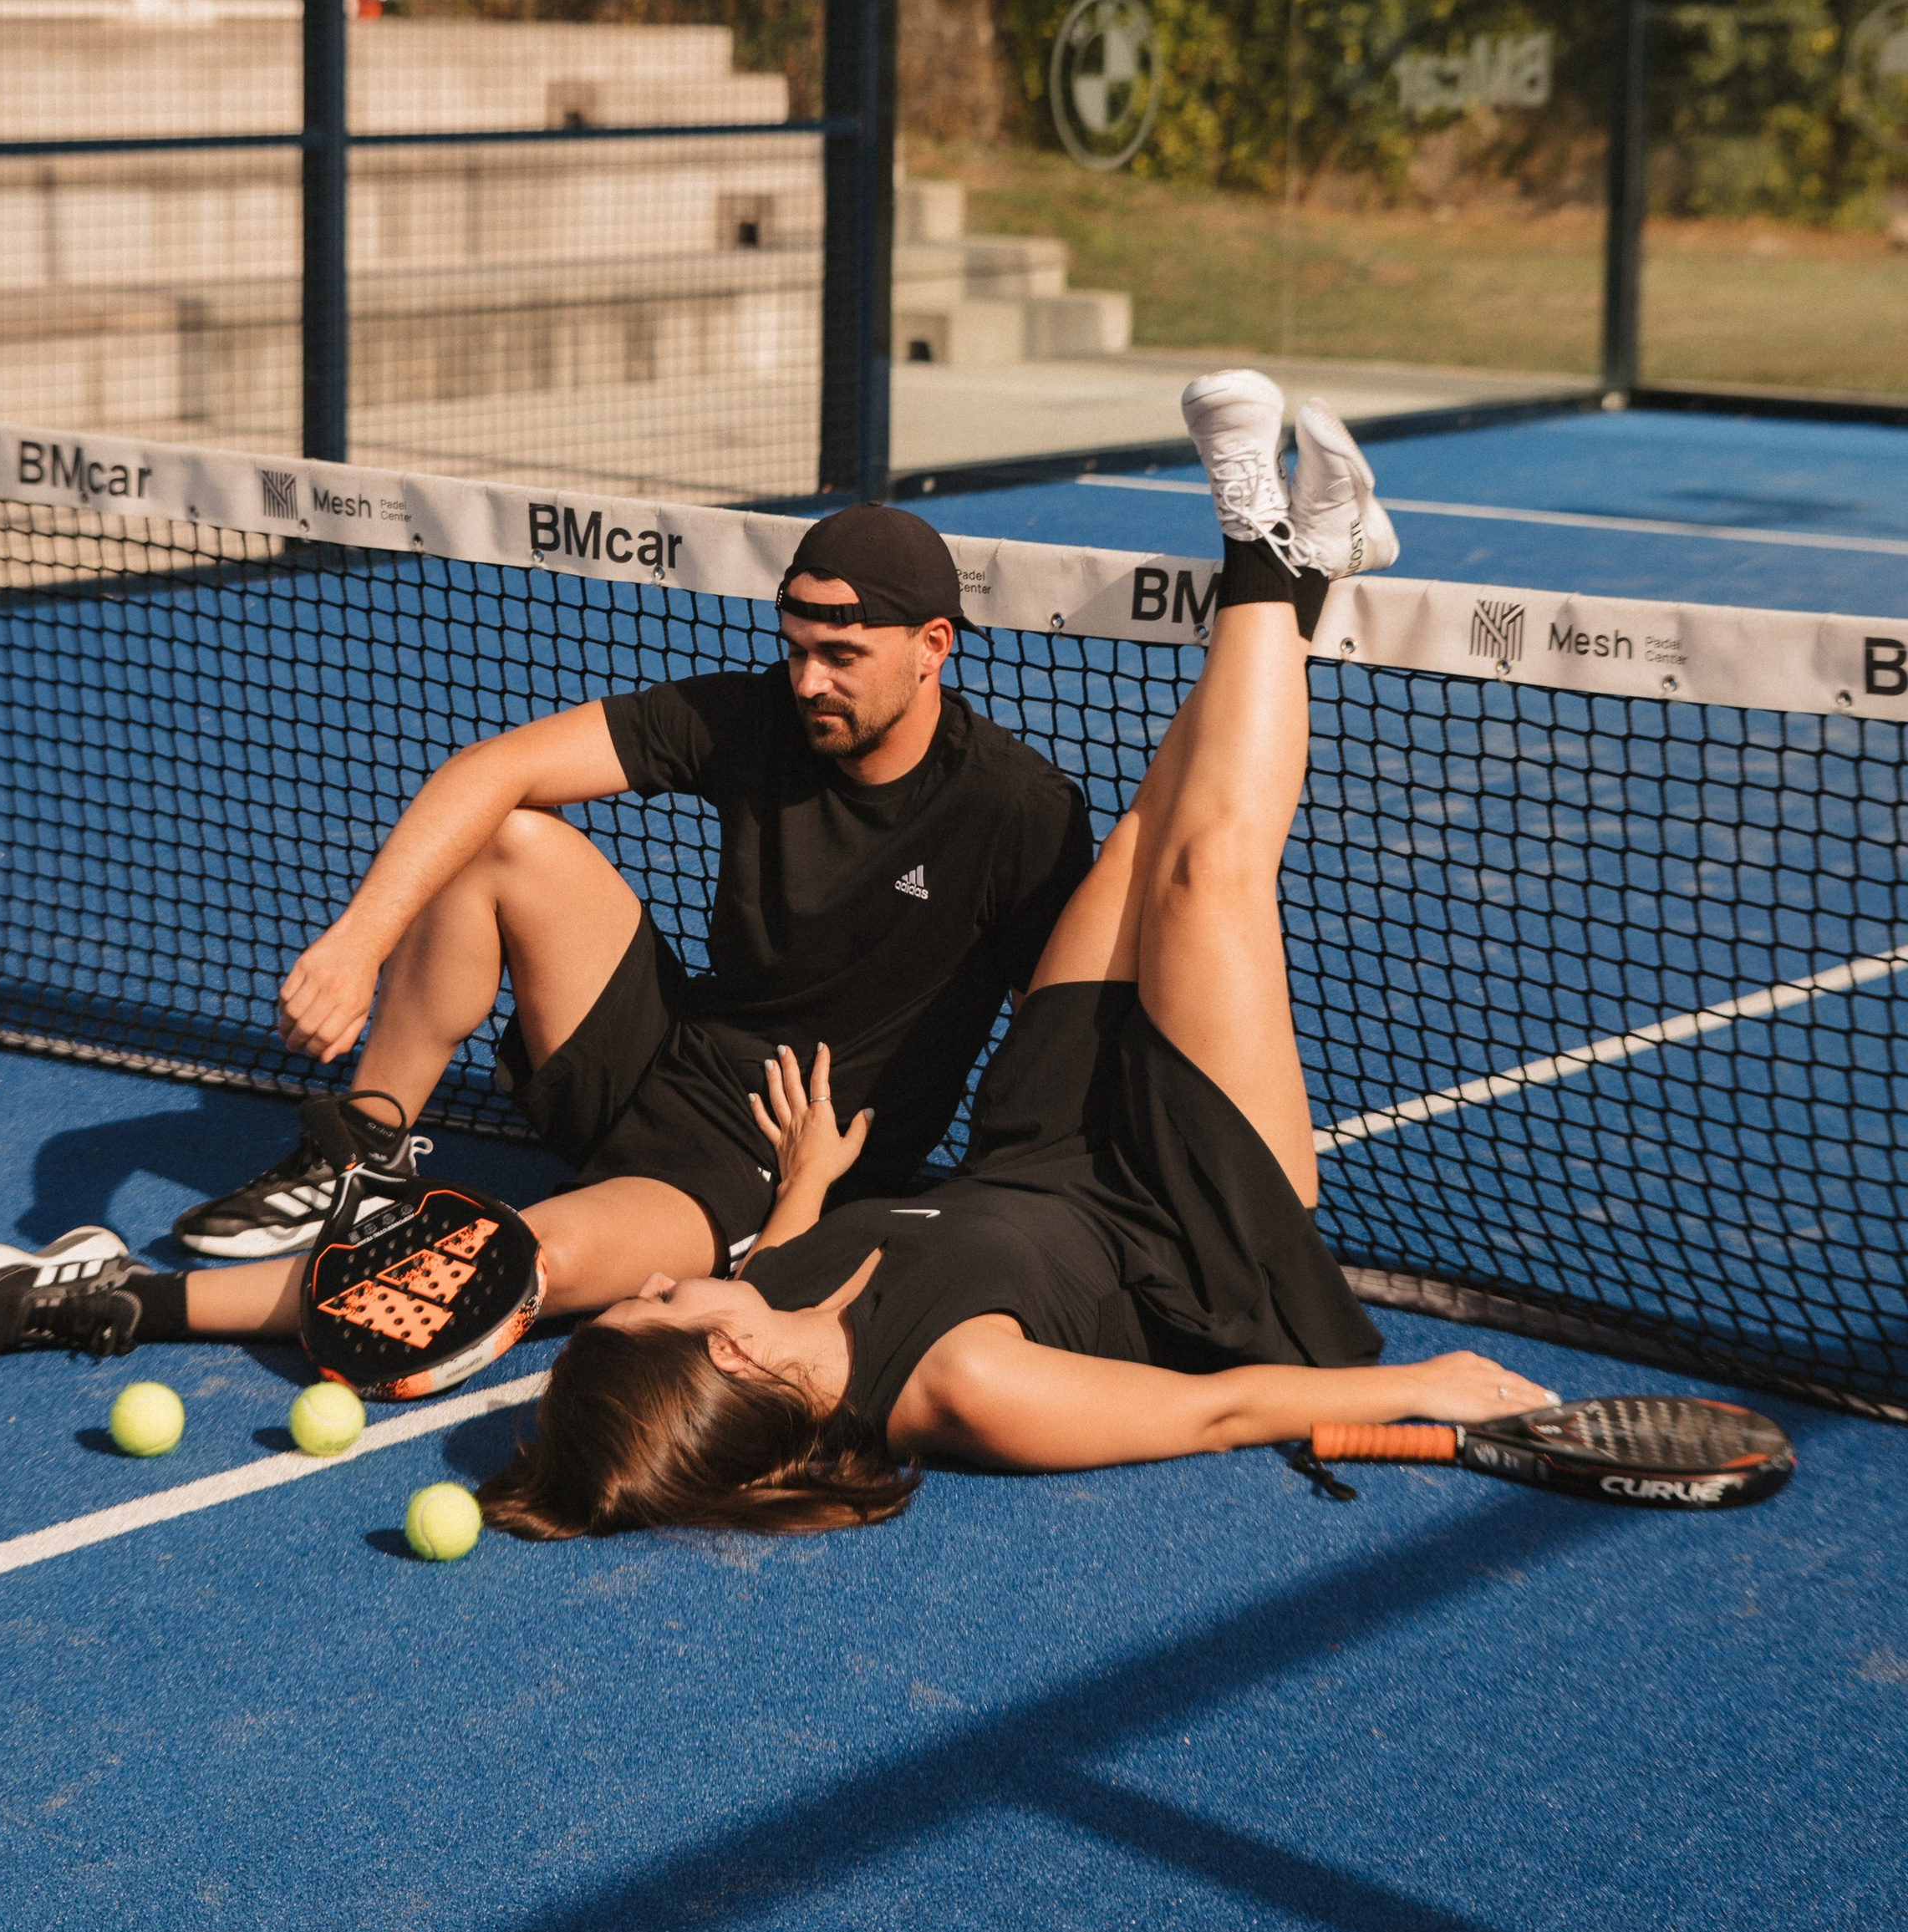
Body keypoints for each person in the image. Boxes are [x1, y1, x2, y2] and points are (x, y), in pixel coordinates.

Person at [472, 371, 1555, 1536]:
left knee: (1144, 840)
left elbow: (781, 1242)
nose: (644, 1288)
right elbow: (1215, 1411)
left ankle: (1314, 559)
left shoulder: (759, 1293)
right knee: (1204, 876)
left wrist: (810, 1180)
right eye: (645, 1314)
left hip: (1037, 1136)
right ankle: (1259, 538)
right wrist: (1410, 1392)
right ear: (728, 1355)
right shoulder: (963, 1393)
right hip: (1196, 1222)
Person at [0, 503, 1096, 1355]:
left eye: (841, 657)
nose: (806, 683)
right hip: (658, 1055)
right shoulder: (754, 715)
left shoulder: (1017, 813)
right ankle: (365, 1156)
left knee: (507, 1265)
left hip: (758, 1165)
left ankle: (115, 1296)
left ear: (933, 647)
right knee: (506, 833)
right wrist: (357, 939)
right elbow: (493, 769)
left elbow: (1055, 1037)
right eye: (795, 649)